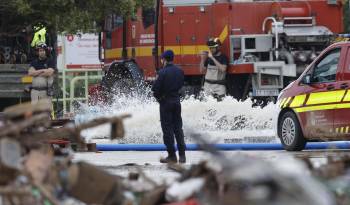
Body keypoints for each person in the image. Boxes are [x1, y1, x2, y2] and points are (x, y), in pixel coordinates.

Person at [152, 50, 186, 164]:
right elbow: (181, 85)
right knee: (178, 128)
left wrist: (160, 99)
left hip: (166, 102)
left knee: (167, 130)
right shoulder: (180, 71)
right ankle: (182, 155)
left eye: (162, 59)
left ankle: (172, 156)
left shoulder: (162, 73)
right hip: (177, 101)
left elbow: (155, 90)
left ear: (164, 59)